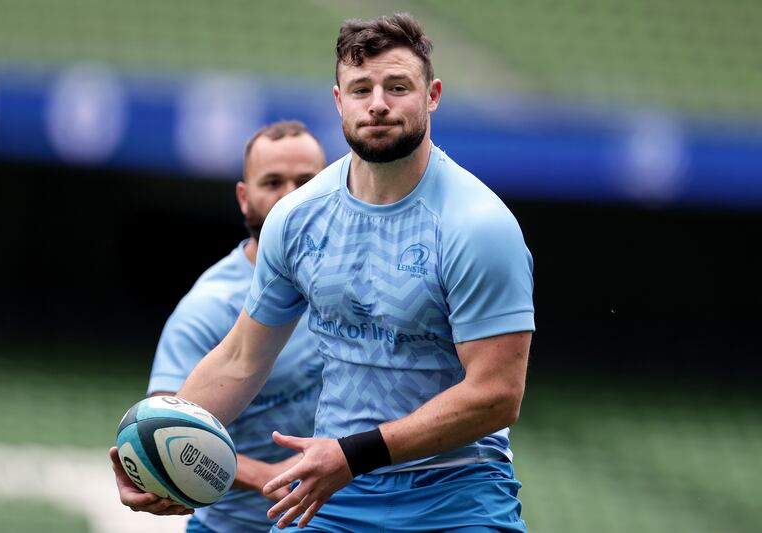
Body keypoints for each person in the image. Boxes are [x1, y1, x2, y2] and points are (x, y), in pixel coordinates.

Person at [114, 12, 535, 532]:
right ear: (339, 101)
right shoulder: (295, 219)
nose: (378, 103)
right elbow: (243, 358)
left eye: (397, 86)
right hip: (333, 499)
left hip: (457, 494)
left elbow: (496, 395)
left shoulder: (479, 226)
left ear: (432, 96)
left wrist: (354, 453)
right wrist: (153, 448)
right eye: (361, 89)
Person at [110, 120, 327, 533]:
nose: (289, 197)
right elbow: (165, 432)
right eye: (273, 182)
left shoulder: (360, 279)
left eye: (305, 181)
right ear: (245, 198)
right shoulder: (208, 307)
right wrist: (266, 475)